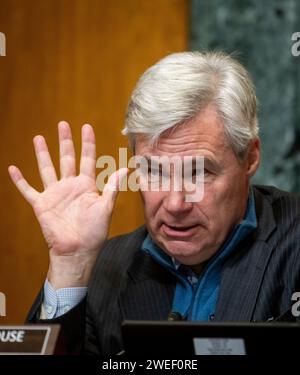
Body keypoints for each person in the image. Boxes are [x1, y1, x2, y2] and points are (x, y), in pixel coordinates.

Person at [8, 51, 300, 355]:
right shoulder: (105, 267)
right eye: (154, 172)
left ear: (250, 157)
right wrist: (71, 266)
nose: (175, 204)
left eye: (198, 172)